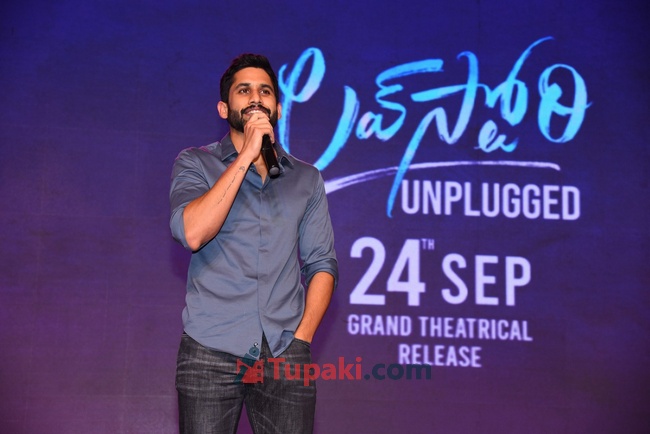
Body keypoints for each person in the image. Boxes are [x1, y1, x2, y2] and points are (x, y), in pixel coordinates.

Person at [169, 53, 338, 434]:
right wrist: (246, 155)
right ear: (223, 107)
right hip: (210, 349)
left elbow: (322, 263)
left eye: (265, 91)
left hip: (284, 350)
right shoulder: (195, 163)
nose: (256, 98)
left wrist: (302, 339)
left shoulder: (306, 179)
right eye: (244, 91)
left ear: (278, 108)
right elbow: (192, 232)